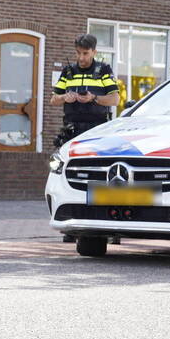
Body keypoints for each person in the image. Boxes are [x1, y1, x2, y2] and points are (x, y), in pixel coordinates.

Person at [50, 34, 121, 242]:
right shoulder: (68, 71)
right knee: (72, 177)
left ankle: (111, 228)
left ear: (94, 52)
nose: (81, 58)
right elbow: (53, 99)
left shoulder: (103, 70)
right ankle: (73, 227)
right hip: (72, 131)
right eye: (78, 53)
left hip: (96, 132)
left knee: (103, 178)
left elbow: (115, 99)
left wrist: (94, 98)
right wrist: (65, 97)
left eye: (85, 53)